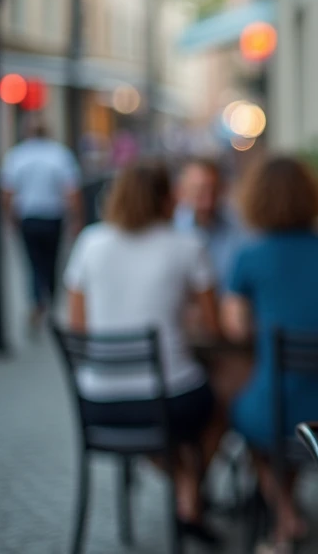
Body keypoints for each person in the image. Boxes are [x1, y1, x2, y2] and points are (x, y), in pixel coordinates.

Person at [221, 156, 318, 550]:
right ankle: (316, 511)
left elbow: (235, 327)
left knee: (244, 412)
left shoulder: (249, 256)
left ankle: (284, 515)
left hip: (279, 407)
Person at [63, 162, 222, 543]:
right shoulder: (187, 245)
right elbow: (213, 328)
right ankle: (189, 490)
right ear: (168, 199)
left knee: (160, 417)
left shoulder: (89, 242)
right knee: (219, 406)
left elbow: (79, 330)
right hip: (169, 402)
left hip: (99, 402)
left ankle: (186, 491)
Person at [1, 116, 83, 330]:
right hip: (52, 217)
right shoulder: (59, 154)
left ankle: (38, 299)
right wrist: (76, 218)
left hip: (29, 218)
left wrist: (9, 217)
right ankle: (49, 299)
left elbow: (9, 192)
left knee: (33, 262)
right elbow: (71, 190)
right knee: (53, 260)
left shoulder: (17, 155)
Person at [174, 157, 246, 291]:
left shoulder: (237, 227)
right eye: (199, 192)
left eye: (214, 191)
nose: (208, 201)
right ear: (181, 191)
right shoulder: (168, 230)